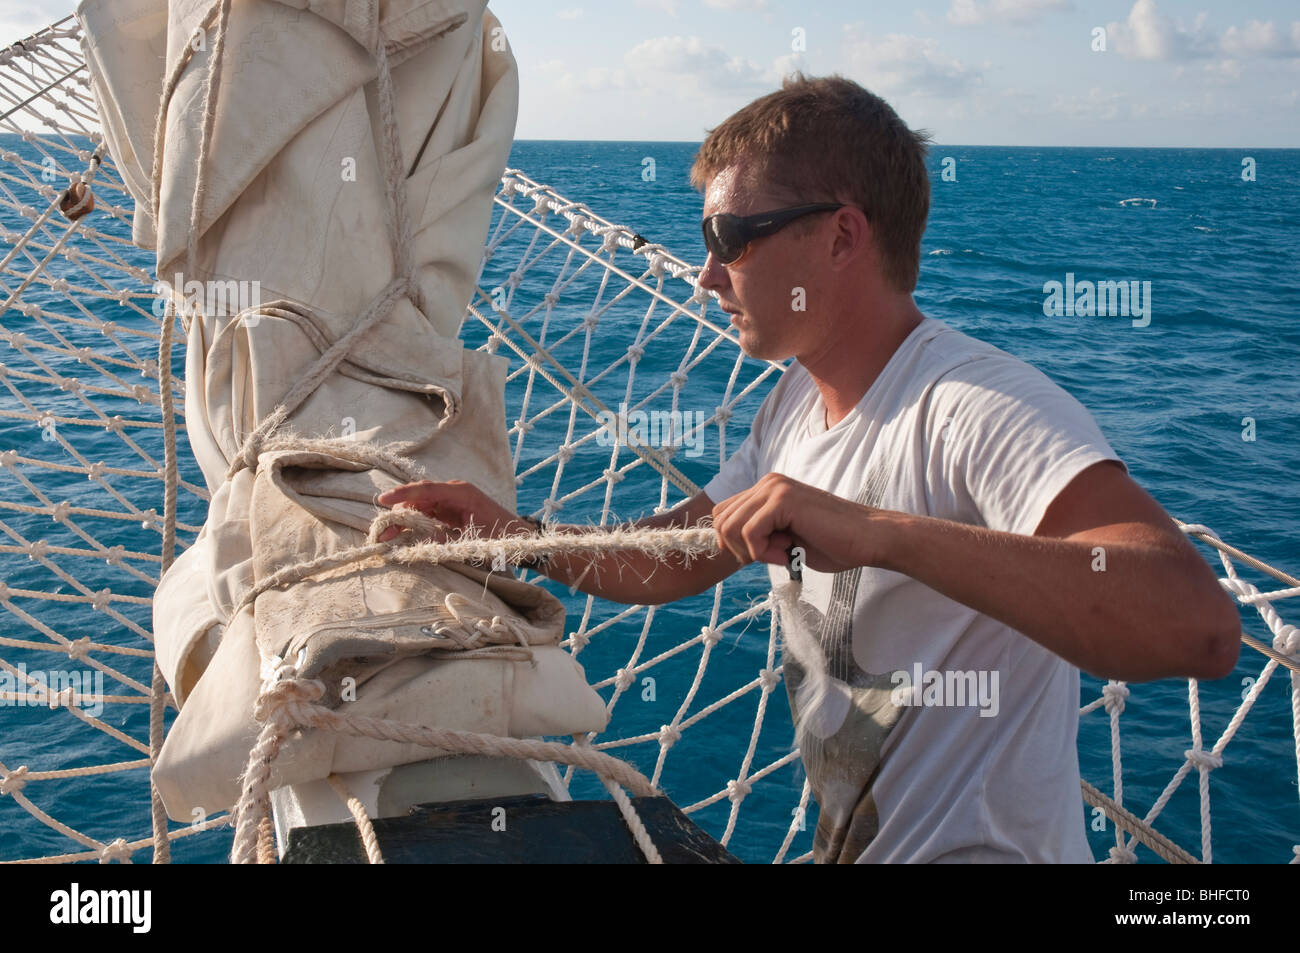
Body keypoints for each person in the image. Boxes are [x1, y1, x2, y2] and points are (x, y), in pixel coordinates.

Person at [377, 74, 1240, 863]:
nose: (707, 273)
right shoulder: (793, 404)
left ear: (841, 237)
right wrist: (515, 538)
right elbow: (679, 552)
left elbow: (1195, 623)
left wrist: (877, 535)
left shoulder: (974, 405)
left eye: (731, 237)